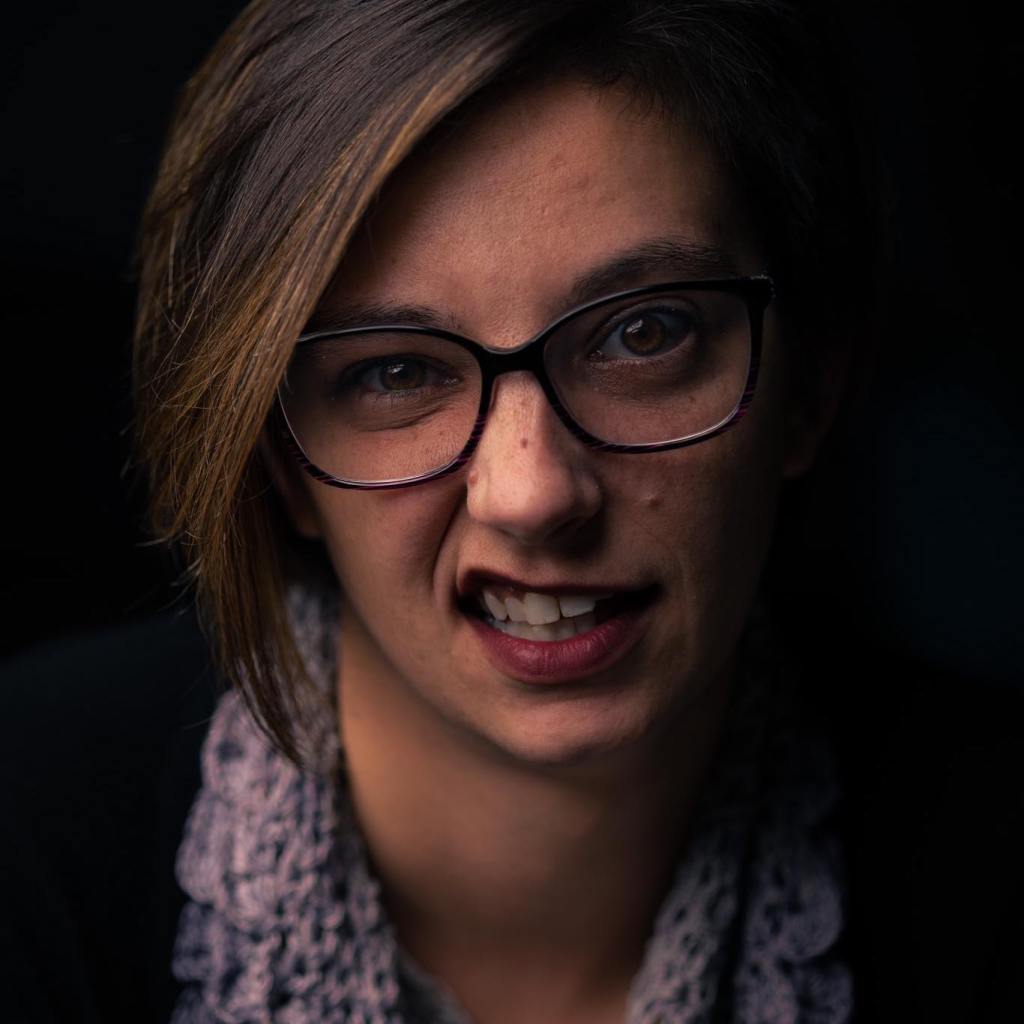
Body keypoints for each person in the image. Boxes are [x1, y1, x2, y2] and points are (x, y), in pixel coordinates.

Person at [2, 2, 1020, 1022]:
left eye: (644, 334)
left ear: (808, 386)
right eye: (396, 372)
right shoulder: (29, 838)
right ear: (279, 462)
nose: (532, 494)